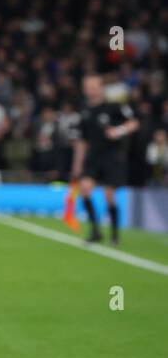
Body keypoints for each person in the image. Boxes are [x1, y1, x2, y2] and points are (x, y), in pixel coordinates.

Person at [71, 74, 138, 244]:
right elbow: (81, 141)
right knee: (85, 189)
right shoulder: (84, 111)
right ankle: (95, 230)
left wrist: (118, 131)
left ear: (101, 88)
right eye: (87, 87)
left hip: (111, 157)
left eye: (93, 87)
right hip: (93, 157)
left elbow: (134, 123)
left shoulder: (113, 106)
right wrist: (77, 165)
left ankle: (115, 234)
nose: (90, 91)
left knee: (109, 195)